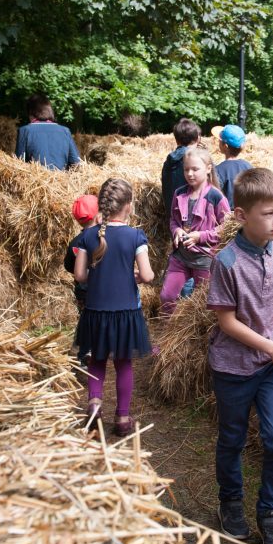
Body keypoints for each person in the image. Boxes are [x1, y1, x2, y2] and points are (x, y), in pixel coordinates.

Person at [206, 168, 273, 544]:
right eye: (268, 213)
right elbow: (225, 321)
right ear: (242, 216)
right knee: (232, 438)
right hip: (233, 367)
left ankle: (269, 512)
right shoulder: (227, 262)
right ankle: (230, 500)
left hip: (272, 368)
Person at [73, 178, 154, 436]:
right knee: (123, 363)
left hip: (96, 311)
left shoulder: (88, 235)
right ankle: (122, 417)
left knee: (96, 359)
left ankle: (95, 404)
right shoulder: (135, 236)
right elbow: (148, 275)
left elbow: (80, 276)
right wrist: (137, 277)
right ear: (128, 206)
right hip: (125, 312)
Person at [159, 147, 230, 315]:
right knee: (167, 296)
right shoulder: (179, 193)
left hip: (204, 258)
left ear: (208, 169)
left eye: (195, 169)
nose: (190, 174)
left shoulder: (216, 196)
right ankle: (168, 333)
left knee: (203, 302)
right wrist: (176, 230)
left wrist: (201, 236)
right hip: (181, 256)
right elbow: (174, 220)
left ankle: (200, 336)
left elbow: (227, 227)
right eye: (186, 169)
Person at [15, 93, 80, 170]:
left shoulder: (25, 131)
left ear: (30, 112)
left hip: (34, 180)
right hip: (61, 179)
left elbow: (18, 164)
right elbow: (76, 162)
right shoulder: (65, 131)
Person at [64, 194, 100, 312]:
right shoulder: (106, 237)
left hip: (84, 293)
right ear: (98, 214)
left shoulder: (75, 242)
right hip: (104, 290)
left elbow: (69, 267)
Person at [161, 118, 202, 220]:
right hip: (195, 218)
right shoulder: (198, 159)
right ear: (198, 138)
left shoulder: (168, 162)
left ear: (176, 140)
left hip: (173, 219)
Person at [213, 124, 254, 208]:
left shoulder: (218, 170)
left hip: (228, 216)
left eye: (220, 141)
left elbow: (215, 198)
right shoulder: (248, 166)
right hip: (247, 214)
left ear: (225, 146)